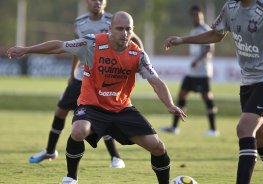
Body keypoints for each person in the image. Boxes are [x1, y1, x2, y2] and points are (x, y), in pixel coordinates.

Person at [7, 11, 187, 184]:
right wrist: (26, 49)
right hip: (91, 106)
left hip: (121, 109)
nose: (124, 33)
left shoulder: (137, 54)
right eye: (120, 28)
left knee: (157, 147)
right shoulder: (91, 44)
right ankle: (71, 177)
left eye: (128, 29)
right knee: (78, 131)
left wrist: (170, 104)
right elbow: (59, 46)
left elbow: (156, 81)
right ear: (110, 28)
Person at [164, 0, 263, 183]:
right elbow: (217, 35)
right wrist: (182, 40)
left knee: (244, 128)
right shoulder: (230, 7)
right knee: (260, 139)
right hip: (248, 80)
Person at [28, 0, 143, 168]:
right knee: (61, 111)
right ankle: (50, 150)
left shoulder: (115, 21)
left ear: (106, 2)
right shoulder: (79, 22)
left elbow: (135, 41)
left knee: (102, 114)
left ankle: (115, 157)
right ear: (87, 2)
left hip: (104, 78)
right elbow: (77, 48)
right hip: (83, 76)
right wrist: (72, 73)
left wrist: (136, 63)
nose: (97, 2)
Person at [160, 5, 219, 137]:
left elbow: (209, 48)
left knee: (207, 98)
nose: (196, 17)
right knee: (181, 95)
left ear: (202, 15)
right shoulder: (194, 30)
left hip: (203, 72)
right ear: (191, 17)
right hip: (193, 73)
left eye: (198, 15)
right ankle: (174, 127)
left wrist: (198, 60)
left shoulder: (205, 29)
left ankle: (213, 130)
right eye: (194, 15)